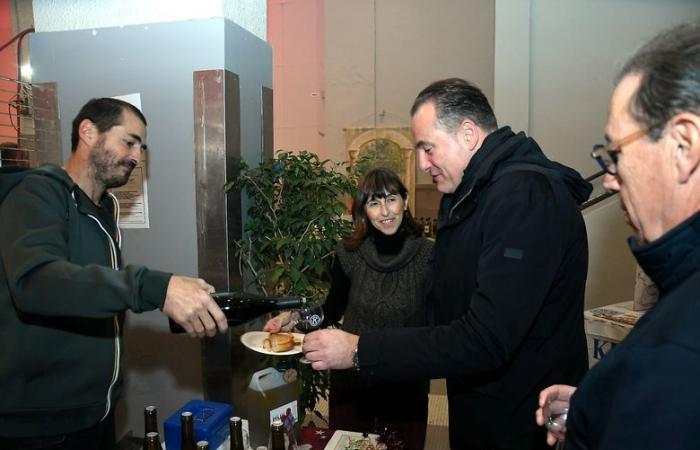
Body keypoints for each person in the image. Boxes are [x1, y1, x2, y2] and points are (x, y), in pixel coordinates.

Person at [302, 78, 593, 449]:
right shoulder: (473, 195)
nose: (422, 164)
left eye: (427, 148)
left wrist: (360, 350)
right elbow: (446, 308)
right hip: (484, 409)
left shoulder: (525, 198)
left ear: (468, 133)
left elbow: (486, 337)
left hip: (520, 421)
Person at [0, 97, 228, 450]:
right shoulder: (37, 194)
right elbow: (37, 281)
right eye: (129, 141)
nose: (137, 156)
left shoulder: (103, 209)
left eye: (141, 147)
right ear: (88, 132)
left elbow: (91, 295)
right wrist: (153, 287)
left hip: (97, 414)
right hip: (40, 427)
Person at [536, 22, 700, 450]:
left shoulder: (678, 354)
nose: (609, 179)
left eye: (616, 153)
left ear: (684, 145)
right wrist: (601, 404)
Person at [265, 167, 434, 449]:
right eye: (374, 203)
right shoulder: (349, 253)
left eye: (391, 199)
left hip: (405, 382)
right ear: (363, 210)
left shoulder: (429, 255)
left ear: (405, 201)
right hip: (353, 381)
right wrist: (295, 318)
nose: (385, 211)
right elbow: (332, 308)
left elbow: (436, 326)